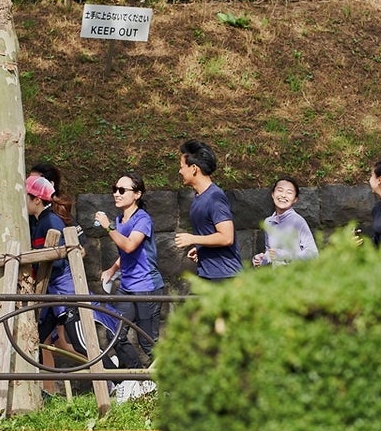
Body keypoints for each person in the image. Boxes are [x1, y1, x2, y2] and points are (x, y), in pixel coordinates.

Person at [92, 171, 164, 368]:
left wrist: (108, 228)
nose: (117, 193)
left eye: (122, 190)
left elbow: (130, 245)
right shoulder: (119, 220)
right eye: (115, 189)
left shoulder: (143, 219)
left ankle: (168, 385)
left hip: (147, 287)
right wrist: (113, 268)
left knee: (148, 343)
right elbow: (128, 254)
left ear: (137, 194)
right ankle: (138, 379)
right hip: (126, 286)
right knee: (114, 333)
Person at [25, 173, 86, 370]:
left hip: (64, 292)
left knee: (81, 343)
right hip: (51, 295)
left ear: (36, 200)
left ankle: (119, 378)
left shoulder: (50, 221)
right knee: (36, 340)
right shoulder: (39, 221)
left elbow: (58, 260)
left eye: (24, 197)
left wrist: (34, 257)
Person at [172, 140, 241, 280]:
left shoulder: (215, 197)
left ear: (194, 169)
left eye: (182, 167)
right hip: (208, 274)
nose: (180, 171)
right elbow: (212, 234)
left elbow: (227, 237)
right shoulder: (200, 197)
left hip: (225, 278)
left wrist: (193, 239)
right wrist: (201, 248)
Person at [253, 177, 319, 265]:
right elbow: (271, 253)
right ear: (273, 194)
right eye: (280, 190)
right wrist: (262, 259)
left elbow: (313, 254)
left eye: (289, 192)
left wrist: (287, 256)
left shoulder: (298, 221)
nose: (283, 195)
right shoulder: (268, 222)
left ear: (295, 199)